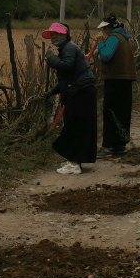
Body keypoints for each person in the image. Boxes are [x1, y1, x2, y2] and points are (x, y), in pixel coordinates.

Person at [43, 23, 97, 175]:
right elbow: (66, 79)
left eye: (56, 34)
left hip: (81, 93)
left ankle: (74, 163)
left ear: (65, 35)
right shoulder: (66, 48)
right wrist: (51, 92)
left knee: (75, 127)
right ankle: (75, 160)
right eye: (51, 35)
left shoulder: (69, 48)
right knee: (78, 126)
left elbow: (66, 67)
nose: (53, 37)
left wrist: (51, 58)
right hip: (81, 91)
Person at [95, 14, 136, 157]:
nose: (103, 31)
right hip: (125, 81)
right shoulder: (124, 37)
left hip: (115, 81)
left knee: (110, 113)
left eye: (104, 28)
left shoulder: (113, 38)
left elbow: (106, 55)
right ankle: (119, 145)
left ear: (108, 27)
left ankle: (107, 147)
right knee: (122, 113)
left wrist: (100, 43)